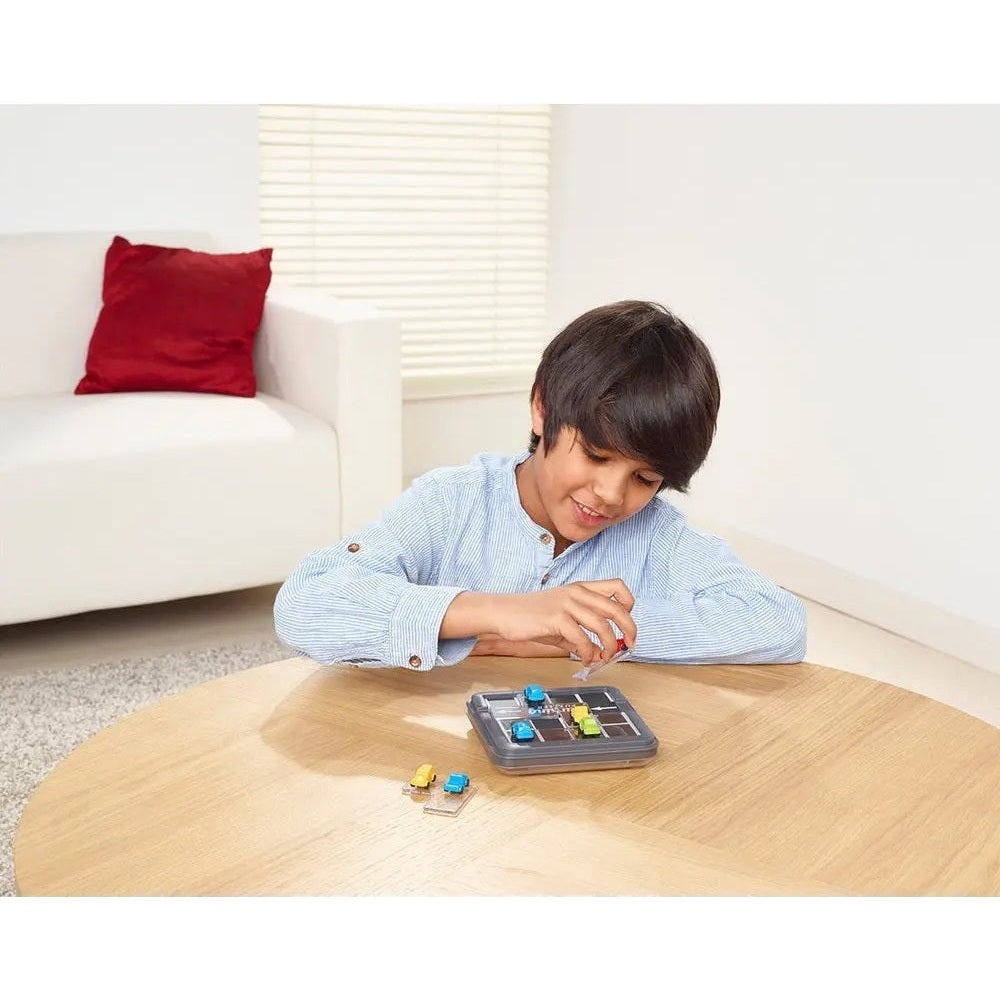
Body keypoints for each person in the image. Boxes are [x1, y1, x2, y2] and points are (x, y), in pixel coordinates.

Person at [274, 300, 807, 671]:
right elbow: (307, 603)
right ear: (541, 408)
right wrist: (502, 615)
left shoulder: (655, 535)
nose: (612, 495)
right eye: (596, 455)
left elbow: (779, 623)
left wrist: (577, 634)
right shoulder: (451, 503)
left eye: (645, 478)